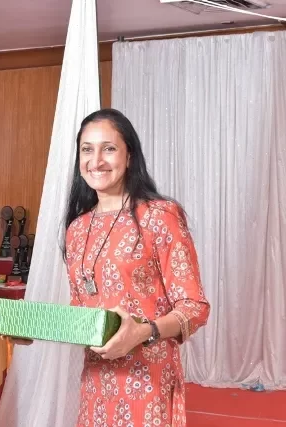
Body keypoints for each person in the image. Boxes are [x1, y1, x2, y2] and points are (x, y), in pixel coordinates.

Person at [64, 108, 210, 425]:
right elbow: (81, 310)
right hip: (97, 385)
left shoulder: (159, 216)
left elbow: (194, 307)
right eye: (87, 149)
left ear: (129, 156)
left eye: (109, 148)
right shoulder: (77, 229)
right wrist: (33, 329)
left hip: (147, 383)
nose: (96, 160)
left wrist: (144, 332)